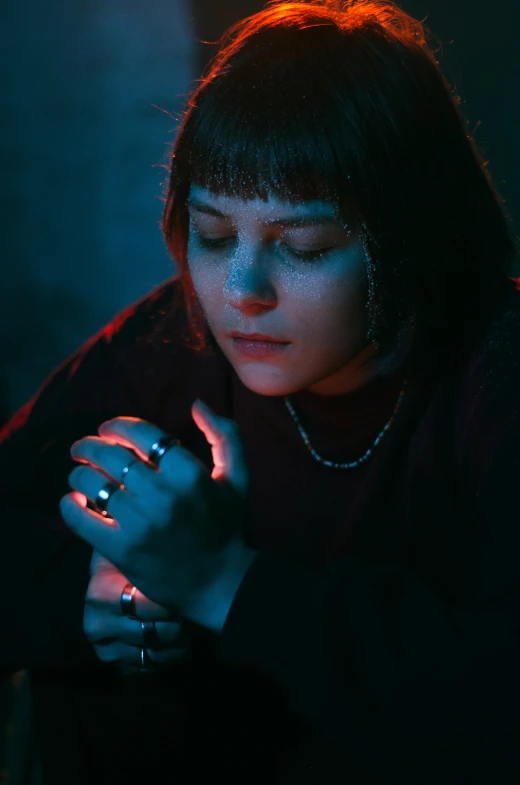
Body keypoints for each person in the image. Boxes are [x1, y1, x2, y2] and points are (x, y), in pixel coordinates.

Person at [1, 0, 520, 782]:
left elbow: (493, 711)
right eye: (212, 235)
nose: (241, 290)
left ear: (409, 236)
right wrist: (100, 598)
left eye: (304, 247)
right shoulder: (178, 338)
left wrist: (223, 581)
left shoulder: (497, 383)